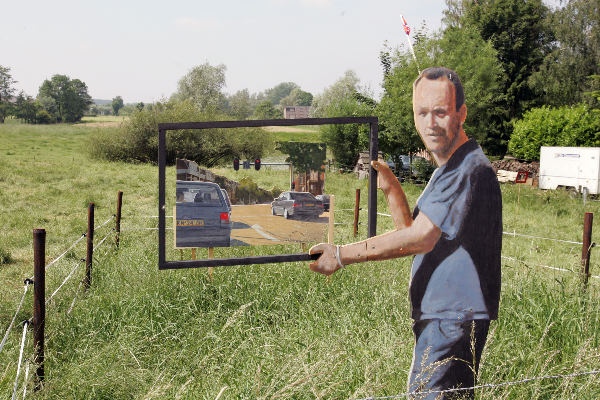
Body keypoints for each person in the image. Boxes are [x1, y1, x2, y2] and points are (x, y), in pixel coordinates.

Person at [309, 67, 502, 399]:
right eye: (422, 112)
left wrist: (340, 255)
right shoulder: (450, 170)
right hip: (441, 319)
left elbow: (420, 238)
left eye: (440, 112)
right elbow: (417, 239)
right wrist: (392, 190)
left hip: (452, 321)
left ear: (461, 114)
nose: (430, 123)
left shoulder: (466, 170)